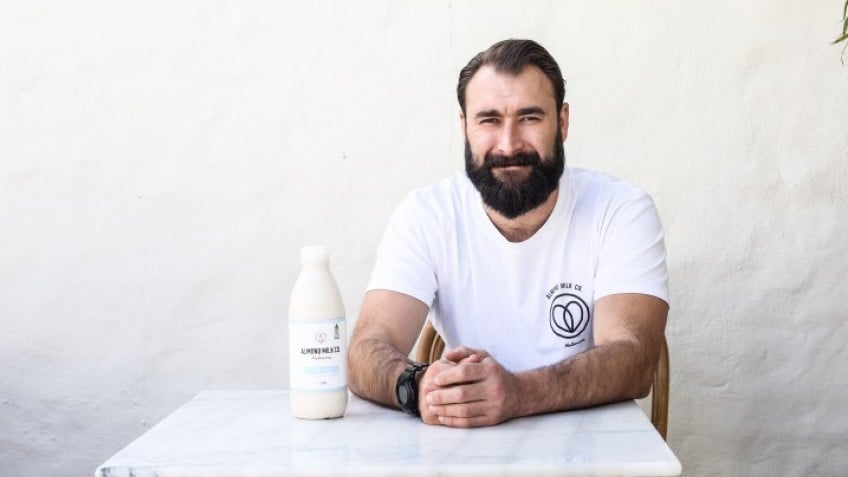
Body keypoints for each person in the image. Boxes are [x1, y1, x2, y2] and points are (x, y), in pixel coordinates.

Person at [347, 39, 669, 428]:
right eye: (489, 120)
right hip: (469, 447)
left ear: (562, 122)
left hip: (596, 448)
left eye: (530, 118)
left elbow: (634, 359)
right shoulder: (426, 215)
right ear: (464, 127)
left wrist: (519, 394)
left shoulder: (621, 210)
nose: (509, 144)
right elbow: (365, 349)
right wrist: (418, 387)